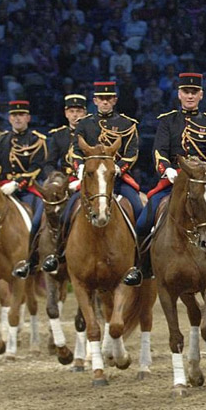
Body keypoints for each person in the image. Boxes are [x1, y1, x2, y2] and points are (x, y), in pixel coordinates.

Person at [131, 72, 206, 281]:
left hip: (204, 182)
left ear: (201, 95)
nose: (190, 96)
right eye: (186, 92)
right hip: (173, 182)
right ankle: (141, 267)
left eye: (194, 92)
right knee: (143, 221)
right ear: (179, 94)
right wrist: (166, 169)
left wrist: (204, 171)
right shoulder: (168, 122)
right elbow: (159, 151)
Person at [62, 81, 144, 286]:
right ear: (95, 101)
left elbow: (132, 153)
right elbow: (74, 151)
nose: (105, 102)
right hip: (91, 181)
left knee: (140, 210)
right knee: (66, 213)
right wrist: (80, 167)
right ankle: (60, 254)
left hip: (118, 181)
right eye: (101, 99)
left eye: (109, 99)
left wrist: (118, 168)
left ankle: (143, 262)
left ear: (114, 100)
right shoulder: (84, 124)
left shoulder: (127, 124)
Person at [0, 100, 48, 278]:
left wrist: (17, 184)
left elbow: (37, 167)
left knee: (39, 219)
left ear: (28, 118)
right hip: (1, 191)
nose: (18, 119)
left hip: (27, 191)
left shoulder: (37, 140)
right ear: (9, 118)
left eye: (22, 115)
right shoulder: (1, 140)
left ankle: (35, 258)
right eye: (15, 116)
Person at [39, 94, 87, 274]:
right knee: (39, 219)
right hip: (63, 185)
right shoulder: (58, 136)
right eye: (72, 111)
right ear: (66, 113)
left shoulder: (93, 132)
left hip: (86, 183)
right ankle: (33, 259)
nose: (76, 115)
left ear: (85, 112)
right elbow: (49, 163)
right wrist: (55, 180)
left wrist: (83, 179)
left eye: (79, 111)